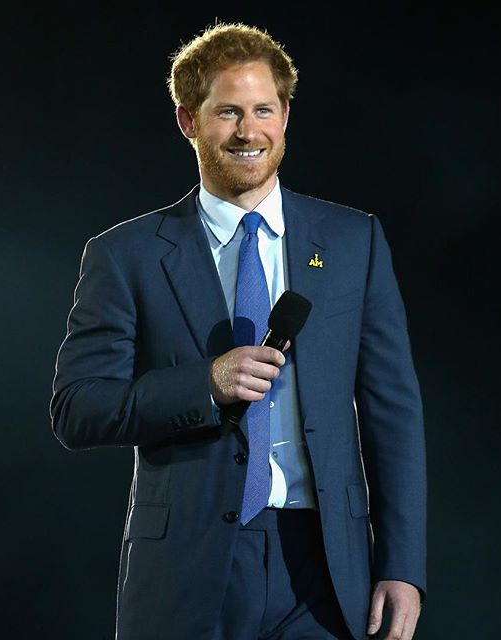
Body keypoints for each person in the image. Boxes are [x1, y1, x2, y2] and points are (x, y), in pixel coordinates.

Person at [50, 22, 426, 640]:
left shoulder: (353, 241)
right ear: (188, 121)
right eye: (228, 112)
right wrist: (206, 384)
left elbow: (394, 411)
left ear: (285, 116)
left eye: (263, 110)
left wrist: (402, 565)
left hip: (328, 569)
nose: (249, 131)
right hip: (187, 570)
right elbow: (78, 408)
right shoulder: (126, 254)